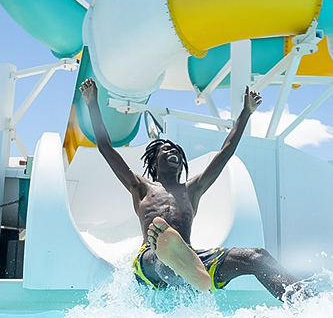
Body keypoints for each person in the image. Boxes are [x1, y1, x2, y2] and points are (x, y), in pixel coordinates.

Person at [79, 78, 298, 299]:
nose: (173, 151)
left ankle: (302, 300)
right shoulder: (140, 187)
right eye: (166, 149)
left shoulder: (193, 189)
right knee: (163, 260)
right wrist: (92, 104)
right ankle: (185, 269)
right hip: (151, 258)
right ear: (154, 163)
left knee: (257, 257)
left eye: (177, 150)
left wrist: (246, 113)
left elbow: (226, 151)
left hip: (191, 260)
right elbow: (106, 148)